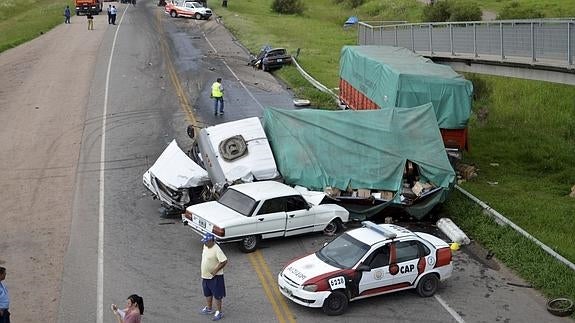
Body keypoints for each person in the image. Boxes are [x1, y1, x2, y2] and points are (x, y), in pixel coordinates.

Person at [199, 233, 227, 321]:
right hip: (205, 276)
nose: (205, 243)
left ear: (211, 241)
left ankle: (219, 312)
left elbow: (224, 261)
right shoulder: (205, 246)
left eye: (206, 241)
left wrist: (215, 271)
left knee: (217, 295)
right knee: (207, 293)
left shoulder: (217, 249)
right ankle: (209, 308)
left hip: (215, 277)